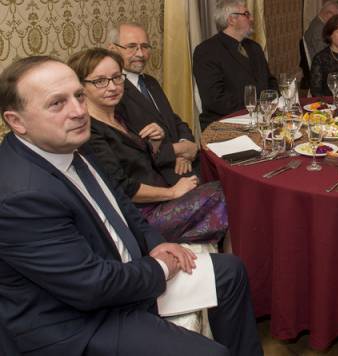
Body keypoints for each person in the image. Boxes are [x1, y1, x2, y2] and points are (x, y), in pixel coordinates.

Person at [0, 56, 262, 356]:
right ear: (17, 121)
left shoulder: (69, 143)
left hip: (120, 278)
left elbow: (120, 203)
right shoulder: (19, 197)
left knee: (230, 272)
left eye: (79, 96)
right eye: (57, 103)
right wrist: (160, 267)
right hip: (79, 321)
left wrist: (155, 243)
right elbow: (92, 286)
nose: (79, 111)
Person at [70, 48, 228, 244]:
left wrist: (155, 142)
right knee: (225, 194)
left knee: (228, 188)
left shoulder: (119, 114)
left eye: (117, 78)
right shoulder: (89, 131)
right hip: (142, 217)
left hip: (161, 197)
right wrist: (173, 192)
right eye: (100, 81)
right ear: (81, 86)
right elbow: (122, 187)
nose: (112, 87)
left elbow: (138, 159)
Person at [111, 23, 200, 184]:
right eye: (131, 47)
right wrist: (180, 150)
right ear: (113, 49)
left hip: (183, 164)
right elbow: (131, 149)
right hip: (156, 177)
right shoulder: (113, 92)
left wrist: (185, 143)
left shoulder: (150, 82)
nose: (140, 53)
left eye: (145, 47)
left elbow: (173, 120)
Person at [193, 0, 278, 129]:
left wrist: (270, 104)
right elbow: (215, 100)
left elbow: (270, 81)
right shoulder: (207, 51)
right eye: (246, 14)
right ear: (232, 20)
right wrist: (256, 109)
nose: (252, 19)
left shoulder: (254, 47)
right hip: (226, 124)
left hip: (262, 119)